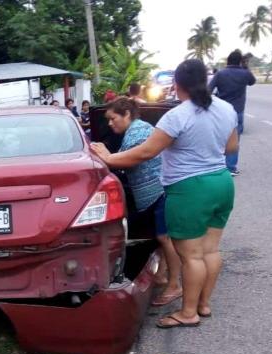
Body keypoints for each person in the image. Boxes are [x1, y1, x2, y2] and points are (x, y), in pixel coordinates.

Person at [90, 59, 238, 329]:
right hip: (222, 183)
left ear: (177, 84)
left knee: (191, 255)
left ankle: (189, 312)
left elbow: (146, 152)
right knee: (210, 250)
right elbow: (231, 147)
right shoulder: (226, 109)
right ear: (204, 81)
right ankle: (204, 305)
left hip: (191, 189)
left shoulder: (178, 115)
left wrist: (108, 158)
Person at [102, 98, 182, 304]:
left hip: (159, 191)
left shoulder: (137, 132)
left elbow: (127, 160)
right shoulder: (137, 130)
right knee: (161, 238)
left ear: (127, 114)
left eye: (113, 118)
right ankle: (162, 275)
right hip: (159, 191)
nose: (110, 123)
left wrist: (105, 155)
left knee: (166, 238)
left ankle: (174, 285)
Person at [209, 49, 256, 176]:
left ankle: (217, 165)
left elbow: (209, 90)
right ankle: (231, 168)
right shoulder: (245, 73)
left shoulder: (220, 74)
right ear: (240, 61)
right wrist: (246, 67)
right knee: (235, 138)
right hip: (238, 110)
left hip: (222, 111)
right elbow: (252, 82)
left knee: (219, 137)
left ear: (228, 61)